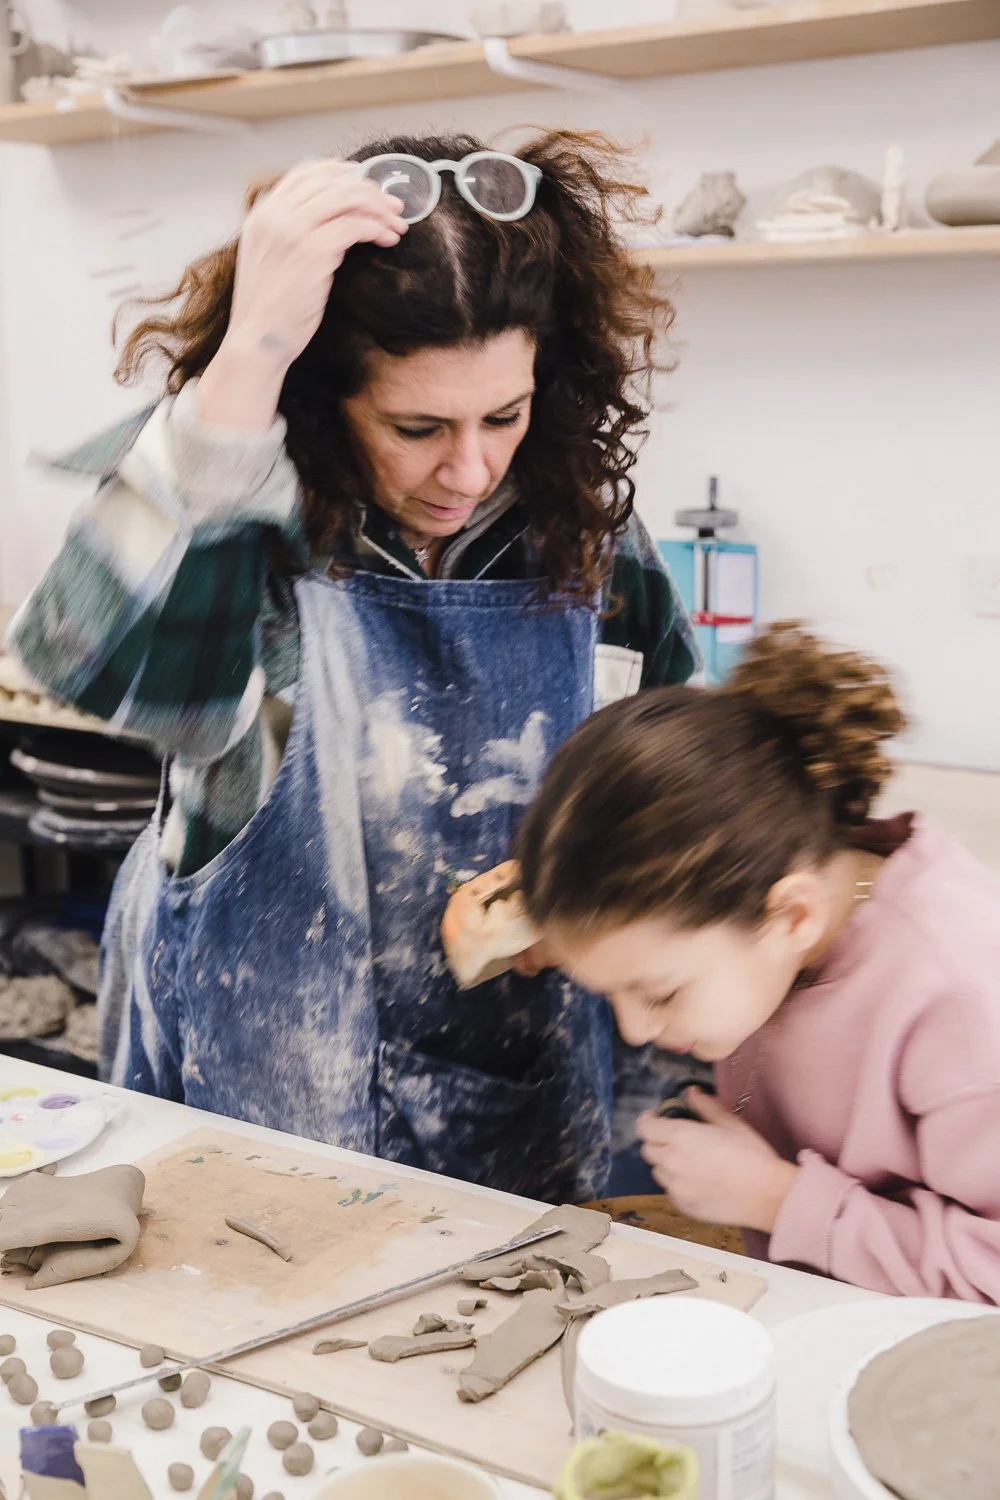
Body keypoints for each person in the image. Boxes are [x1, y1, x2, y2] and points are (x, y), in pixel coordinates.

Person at [9, 130, 696, 1204]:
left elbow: (665, 774)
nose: (467, 469)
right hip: (256, 1070)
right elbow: (105, 666)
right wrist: (253, 353)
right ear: (326, 393)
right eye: (416, 425)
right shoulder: (243, 517)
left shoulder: (582, 542)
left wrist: (589, 896)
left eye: (502, 416)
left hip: (510, 1067)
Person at [517, 623, 1000, 1300]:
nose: (634, 1031)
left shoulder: (958, 1000)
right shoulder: (787, 901)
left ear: (792, 916)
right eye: (610, 994)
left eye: (656, 992)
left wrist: (781, 1201)